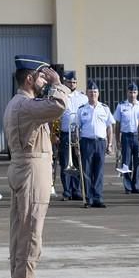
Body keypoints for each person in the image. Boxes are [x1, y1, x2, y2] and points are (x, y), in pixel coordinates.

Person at [4, 54, 69, 278]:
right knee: (31, 228)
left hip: (24, 167)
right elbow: (58, 106)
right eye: (41, 76)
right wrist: (58, 83)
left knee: (21, 228)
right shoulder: (26, 105)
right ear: (30, 78)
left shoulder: (18, 103)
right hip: (31, 171)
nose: (44, 81)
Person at [77, 80, 114, 208]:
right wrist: (77, 145)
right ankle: (88, 198)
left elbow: (109, 127)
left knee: (99, 171)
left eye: (95, 91)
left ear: (98, 93)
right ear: (87, 93)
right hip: (86, 142)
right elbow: (77, 128)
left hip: (100, 142)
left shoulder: (104, 108)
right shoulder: (82, 109)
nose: (93, 93)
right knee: (86, 171)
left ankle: (98, 197)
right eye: (90, 91)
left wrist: (110, 144)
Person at [56, 70, 88, 201]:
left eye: (74, 82)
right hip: (65, 134)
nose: (72, 84)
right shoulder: (61, 96)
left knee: (77, 162)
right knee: (65, 163)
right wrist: (55, 134)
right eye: (70, 82)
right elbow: (56, 117)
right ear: (65, 82)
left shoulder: (83, 97)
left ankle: (76, 190)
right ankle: (67, 191)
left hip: (79, 135)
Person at [114, 82, 139, 194]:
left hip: (137, 136)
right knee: (126, 163)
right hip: (126, 136)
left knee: (138, 163)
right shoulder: (121, 106)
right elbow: (117, 124)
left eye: (134, 92)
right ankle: (128, 186)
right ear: (127, 92)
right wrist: (117, 140)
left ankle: (136, 185)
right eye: (130, 92)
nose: (132, 94)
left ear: (137, 93)